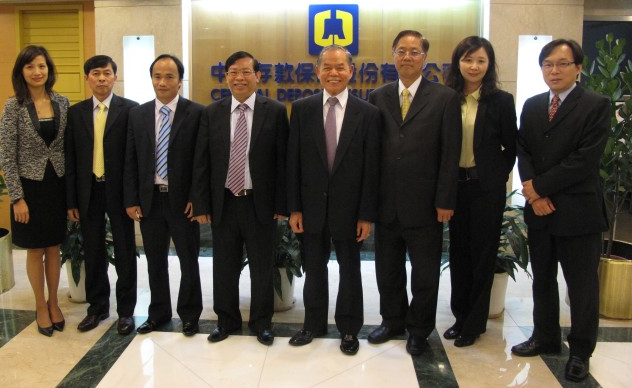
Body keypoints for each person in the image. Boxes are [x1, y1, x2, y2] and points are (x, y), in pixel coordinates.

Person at [512, 39, 609, 383]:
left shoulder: (597, 105)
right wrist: (533, 193)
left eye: (562, 64)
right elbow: (523, 150)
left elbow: (584, 160)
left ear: (578, 68)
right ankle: (545, 336)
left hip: (579, 212)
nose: (554, 71)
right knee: (542, 280)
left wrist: (540, 187)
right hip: (541, 211)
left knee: (581, 286)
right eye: (548, 64)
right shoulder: (534, 105)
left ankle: (581, 351)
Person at [367, 30, 461, 355]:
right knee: (387, 269)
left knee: (424, 273)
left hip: (426, 205)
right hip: (386, 203)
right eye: (401, 51)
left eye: (414, 52)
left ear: (425, 58)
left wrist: (445, 200)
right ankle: (392, 320)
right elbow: (372, 152)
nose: (407, 57)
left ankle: (419, 329)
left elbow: (451, 153)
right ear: (392, 55)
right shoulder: (377, 96)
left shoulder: (445, 98)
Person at [287, 45, 380, 355]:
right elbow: (294, 163)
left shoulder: (367, 113)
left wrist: (366, 215)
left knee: (350, 271)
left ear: (351, 71)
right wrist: (295, 207)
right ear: (317, 71)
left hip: (351, 212)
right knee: (314, 269)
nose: (334, 72)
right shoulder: (302, 109)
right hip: (311, 209)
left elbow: (371, 168)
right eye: (327, 66)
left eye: (340, 67)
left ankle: (350, 330)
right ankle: (312, 324)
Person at [193, 51, 289, 346]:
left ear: (258, 76)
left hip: (259, 204)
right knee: (224, 266)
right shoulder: (212, 112)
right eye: (234, 72)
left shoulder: (273, 110)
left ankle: (262, 323)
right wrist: (201, 204)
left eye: (246, 72)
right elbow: (202, 162)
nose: (240, 78)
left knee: (262, 267)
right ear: (226, 77)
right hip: (224, 202)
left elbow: (283, 161)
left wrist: (282, 205)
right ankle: (226, 321)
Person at [442, 36, 517, 347]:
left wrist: (494, 175)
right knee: (458, 253)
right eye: (468, 59)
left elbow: (511, 148)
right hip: (454, 186)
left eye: (481, 61)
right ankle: (459, 316)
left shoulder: (500, 100)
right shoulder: (446, 98)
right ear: (458, 63)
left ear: (489, 65)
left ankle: (474, 323)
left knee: (483, 254)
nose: (474, 66)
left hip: (486, 189)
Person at [124, 54, 204, 337]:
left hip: (183, 202)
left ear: (180, 81)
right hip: (150, 200)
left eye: (169, 76)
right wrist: (131, 199)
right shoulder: (138, 114)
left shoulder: (196, 112)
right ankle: (158, 313)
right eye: (157, 76)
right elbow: (131, 160)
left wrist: (197, 196)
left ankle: (190, 315)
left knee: (188, 259)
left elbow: (201, 160)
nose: (162, 82)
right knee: (155, 260)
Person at [65, 55, 139, 335]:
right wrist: (71, 200)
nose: (101, 78)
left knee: (125, 251)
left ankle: (126, 312)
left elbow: (133, 159)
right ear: (87, 79)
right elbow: (70, 159)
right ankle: (97, 307)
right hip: (88, 191)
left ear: (115, 77)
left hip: (119, 192)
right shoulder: (76, 113)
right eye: (95, 74)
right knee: (93, 250)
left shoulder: (131, 110)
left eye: (106, 73)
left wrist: (133, 197)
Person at [0, 45, 70, 337]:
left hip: (56, 185)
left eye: (41, 66)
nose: (37, 72)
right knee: (34, 248)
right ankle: (40, 305)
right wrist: (17, 197)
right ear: (22, 72)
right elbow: (6, 154)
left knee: (53, 246)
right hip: (28, 187)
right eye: (30, 67)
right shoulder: (12, 106)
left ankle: (54, 303)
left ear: (49, 70)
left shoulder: (62, 102)